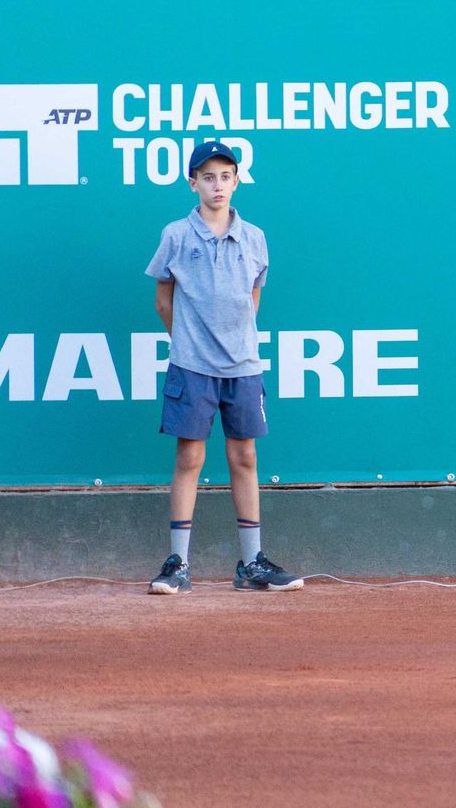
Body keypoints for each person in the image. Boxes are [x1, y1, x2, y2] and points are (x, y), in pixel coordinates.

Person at [145, 141, 302, 595]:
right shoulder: (176, 234)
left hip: (243, 368)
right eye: (208, 177)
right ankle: (178, 564)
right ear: (192, 182)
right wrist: (191, 344)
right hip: (191, 367)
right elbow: (162, 300)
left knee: (245, 456)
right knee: (190, 457)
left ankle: (251, 564)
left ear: (236, 182)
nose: (217, 185)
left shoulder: (254, 237)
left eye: (226, 177)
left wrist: (233, 344)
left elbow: (253, 298)